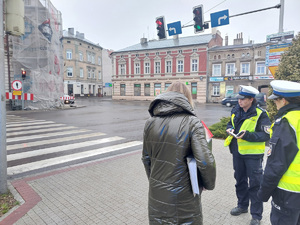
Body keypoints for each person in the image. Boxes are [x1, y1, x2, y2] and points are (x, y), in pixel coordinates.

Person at [142, 82, 216, 225]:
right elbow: (205, 161)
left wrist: (155, 182)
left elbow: (146, 158)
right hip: (184, 194)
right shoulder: (193, 122)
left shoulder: (149, 122)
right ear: (187, 99)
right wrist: (208, 184)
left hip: (157, 192)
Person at [224, 85, 271, 225]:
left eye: (243, 99)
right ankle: (242, 206)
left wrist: (248, 136)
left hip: (253, 156)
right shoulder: (236, 110)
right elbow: (229, 123)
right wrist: (229, 129)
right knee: (240, 181)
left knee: (255, 184)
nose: (239, 101)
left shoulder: (261, 114)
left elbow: (266, 135)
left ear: (251, 99)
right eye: (239, 99)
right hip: (237, 152)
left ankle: (256, 215)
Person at [258, 80, 300, 225]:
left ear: (283, 100)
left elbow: (276, 163)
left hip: (288, 192)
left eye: (276, 100)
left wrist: (263, 192)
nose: (275, 103)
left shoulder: (287, 122)